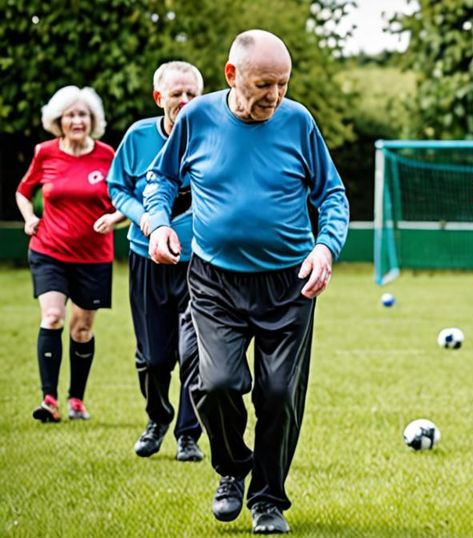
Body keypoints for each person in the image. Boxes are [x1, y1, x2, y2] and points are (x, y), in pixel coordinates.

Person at [144, 30, 348, 534]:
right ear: (232, 75)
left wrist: (325, 248)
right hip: (215, 281)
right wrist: (160, 221)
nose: (274, 96)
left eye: (282, 84)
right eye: (263, 84)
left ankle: (268, 501)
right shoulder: (196, 118)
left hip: (289, 283)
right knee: (215, 385)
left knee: (279, 393)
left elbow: (333, 195)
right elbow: (161, 180)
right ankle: (233, 470)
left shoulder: (298, 122)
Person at [107, 61, 205, 461]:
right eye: (177, 93)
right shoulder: (138, 136)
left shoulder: (213, 136)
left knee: (194, 353)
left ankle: (188, 435)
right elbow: (117, 187)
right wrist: (140, 215)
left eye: (192, 94)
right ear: (158, 97)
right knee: (154, 357)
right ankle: (157, 417)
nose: (184, 101)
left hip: (199, 261)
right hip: (147, 257)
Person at [16, 85, 121, 424]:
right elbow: (23, 191)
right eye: (70, 115)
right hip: (50, 251)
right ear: (57, 120)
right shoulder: (45, 153)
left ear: (93, 120)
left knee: (81, 331)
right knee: (53, 318)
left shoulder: (108, 155)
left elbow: (126, 198)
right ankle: (49, 400)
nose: (77, 121)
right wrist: (31, 217)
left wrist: (116, 219)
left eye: (83, 115)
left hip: (94, 257)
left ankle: (76, 398)